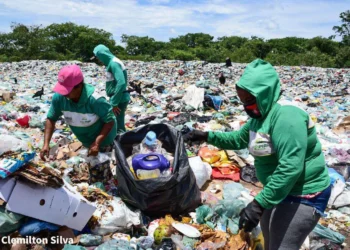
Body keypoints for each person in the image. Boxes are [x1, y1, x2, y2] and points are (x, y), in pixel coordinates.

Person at [185, 59, 331, 250]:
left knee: (282, 245)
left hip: (304, 193)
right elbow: (238, 140)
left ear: (264, 93)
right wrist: (206, 135)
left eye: (249, 100)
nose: (246, 106)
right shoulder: (261, 116)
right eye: (242, 100)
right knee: (268, 235)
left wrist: (259, 203)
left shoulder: (287, 117)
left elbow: (290, 167)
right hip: (279, 189)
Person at [40, 65, 117, 160]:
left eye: (67, 90)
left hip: (104, 140)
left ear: (79, 86)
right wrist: (46, 144)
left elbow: (110, 120)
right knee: (92, 166)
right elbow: (51, 118)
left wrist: (97, 143)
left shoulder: (95, 99)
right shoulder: (60, 97)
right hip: (86, 141)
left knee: (104, 166)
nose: (64, 94)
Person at [93, 44, 130, 134]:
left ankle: (122, 144)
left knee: (116, 124)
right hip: (118, 98)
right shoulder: (112, 62)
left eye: (98, 57)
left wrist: (114, 103)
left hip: (119, 99)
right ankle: (120, 142)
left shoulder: (113, 63)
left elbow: (121, 83)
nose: (99, 60)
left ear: (102, 55)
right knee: (116, 122)